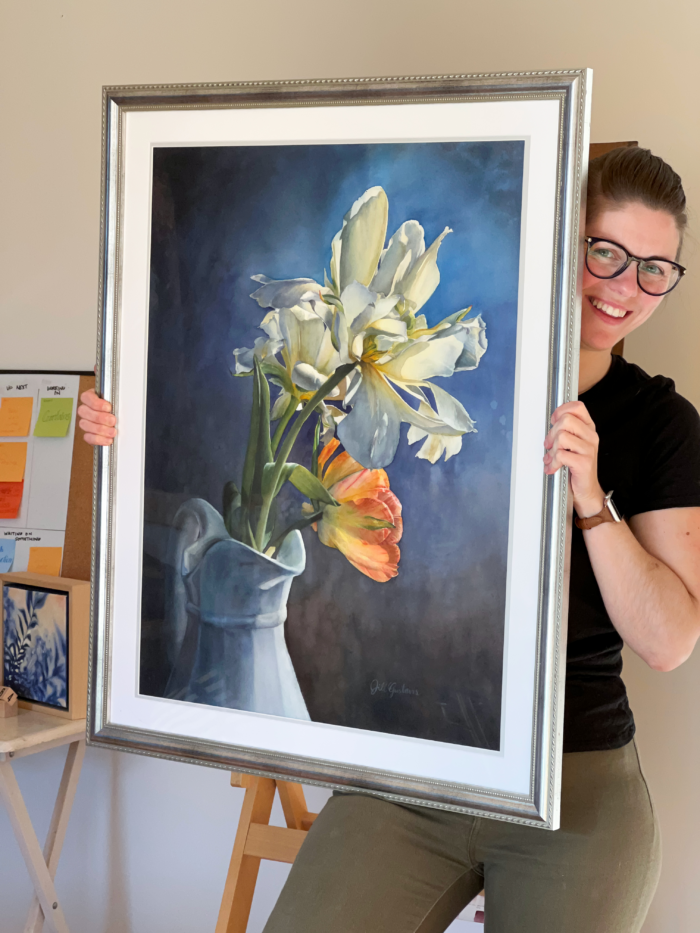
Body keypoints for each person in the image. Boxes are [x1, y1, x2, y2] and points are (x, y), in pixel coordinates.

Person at [78, 147, 700, 932]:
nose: (622, 286)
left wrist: (589, 494)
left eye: (654, 268)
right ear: (557, 238)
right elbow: (267, 431)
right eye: (604, 251)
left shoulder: (663, 425)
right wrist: (129, 418)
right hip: (414, 768)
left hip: (577, 788)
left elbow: (670, 639)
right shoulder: (445, 373)